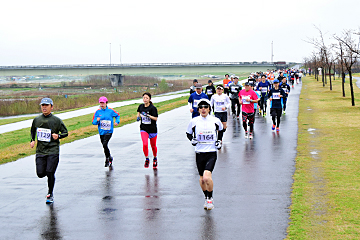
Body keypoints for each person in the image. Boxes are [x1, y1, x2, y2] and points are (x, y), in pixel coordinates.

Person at [186, 99, 223, 210]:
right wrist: (192, 140)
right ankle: (206, 197)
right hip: (199, 152)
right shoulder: (194, 121)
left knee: (207, 177)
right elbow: (188, 133)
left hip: (211, 152)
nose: (203, 109)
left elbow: (221, 130)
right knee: (202, 179)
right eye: (201, 107)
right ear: (198, 110)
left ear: (209, 109)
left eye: (205, 107)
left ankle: (210, 199)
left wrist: (219, 141)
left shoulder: (215, 120)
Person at [30, 98, 68, 204]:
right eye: (42, 105)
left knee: (50, 172)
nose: (44, 107)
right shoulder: (37, 120)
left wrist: (58, 136)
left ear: (51, 106)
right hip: (41, 151)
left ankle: (50, 194)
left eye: (46, 105)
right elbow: (33, 130)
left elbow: (65, 132)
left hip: (53, 150)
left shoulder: (56, 120)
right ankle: (48, 175)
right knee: (41, 173)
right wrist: (32, 140)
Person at [92, 96, 120, 167]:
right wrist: (97, 120)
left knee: (105, 144)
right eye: (100, 103)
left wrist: (117, 121)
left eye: (103, 103)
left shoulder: (110, 111)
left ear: (106, 103)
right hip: (101, 132)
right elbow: (93, 122)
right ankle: (109, 157)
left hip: (109, 131)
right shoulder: (97, 112)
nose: (102, 104)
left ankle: (107, 159)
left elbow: (117, 115)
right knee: (104, 146)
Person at [137, 93, 159, 169]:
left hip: (152, 130)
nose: (145, 99)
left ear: (150, 99)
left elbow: (156, 118)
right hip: (144, 129)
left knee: (153, 146)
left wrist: (148, 116)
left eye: (146, 98)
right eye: (144, 98)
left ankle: (155, 158)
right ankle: (147, 159)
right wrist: (138, 117)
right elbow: (139, 112)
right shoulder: (141, 106)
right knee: (145, 144)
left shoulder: (153, 108)